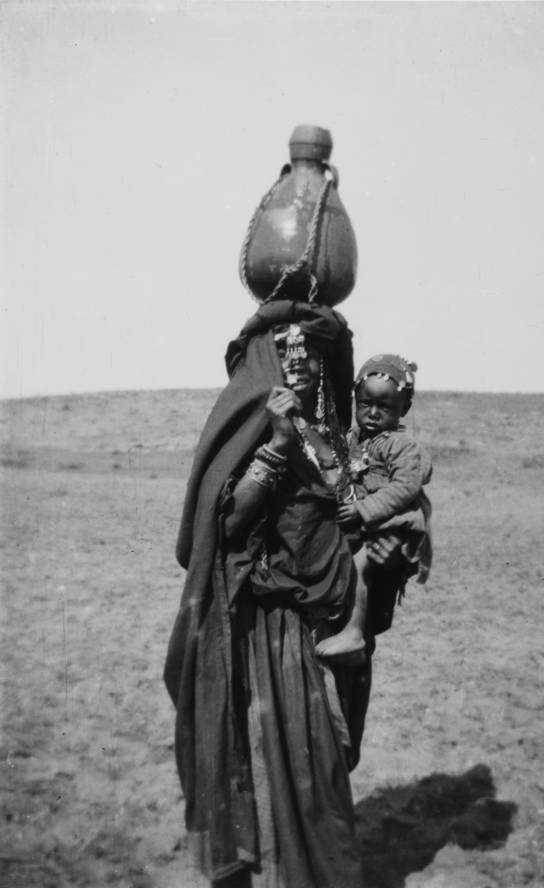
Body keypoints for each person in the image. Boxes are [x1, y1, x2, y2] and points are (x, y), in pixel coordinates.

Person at [164, 300, 402, 888]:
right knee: (297, 761)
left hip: (329, 621)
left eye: (312, 356)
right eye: (288, 354)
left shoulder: (333, 435)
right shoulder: (259, 432)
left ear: (325, 367)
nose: (300, 366)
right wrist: (275, 439)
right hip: (278, 629)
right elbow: (228, 526)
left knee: (323, 766)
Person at [315, 354, 433, 661]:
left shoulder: (401, 445)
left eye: (386, 407)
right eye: (366, 404)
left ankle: (354, 632)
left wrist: (363, 509)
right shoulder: (352, 438)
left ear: (404, 409)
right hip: (368, 523)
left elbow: (405, 487)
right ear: (355, 400)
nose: (373, 413)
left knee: (359, 565)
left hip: (392, 523)